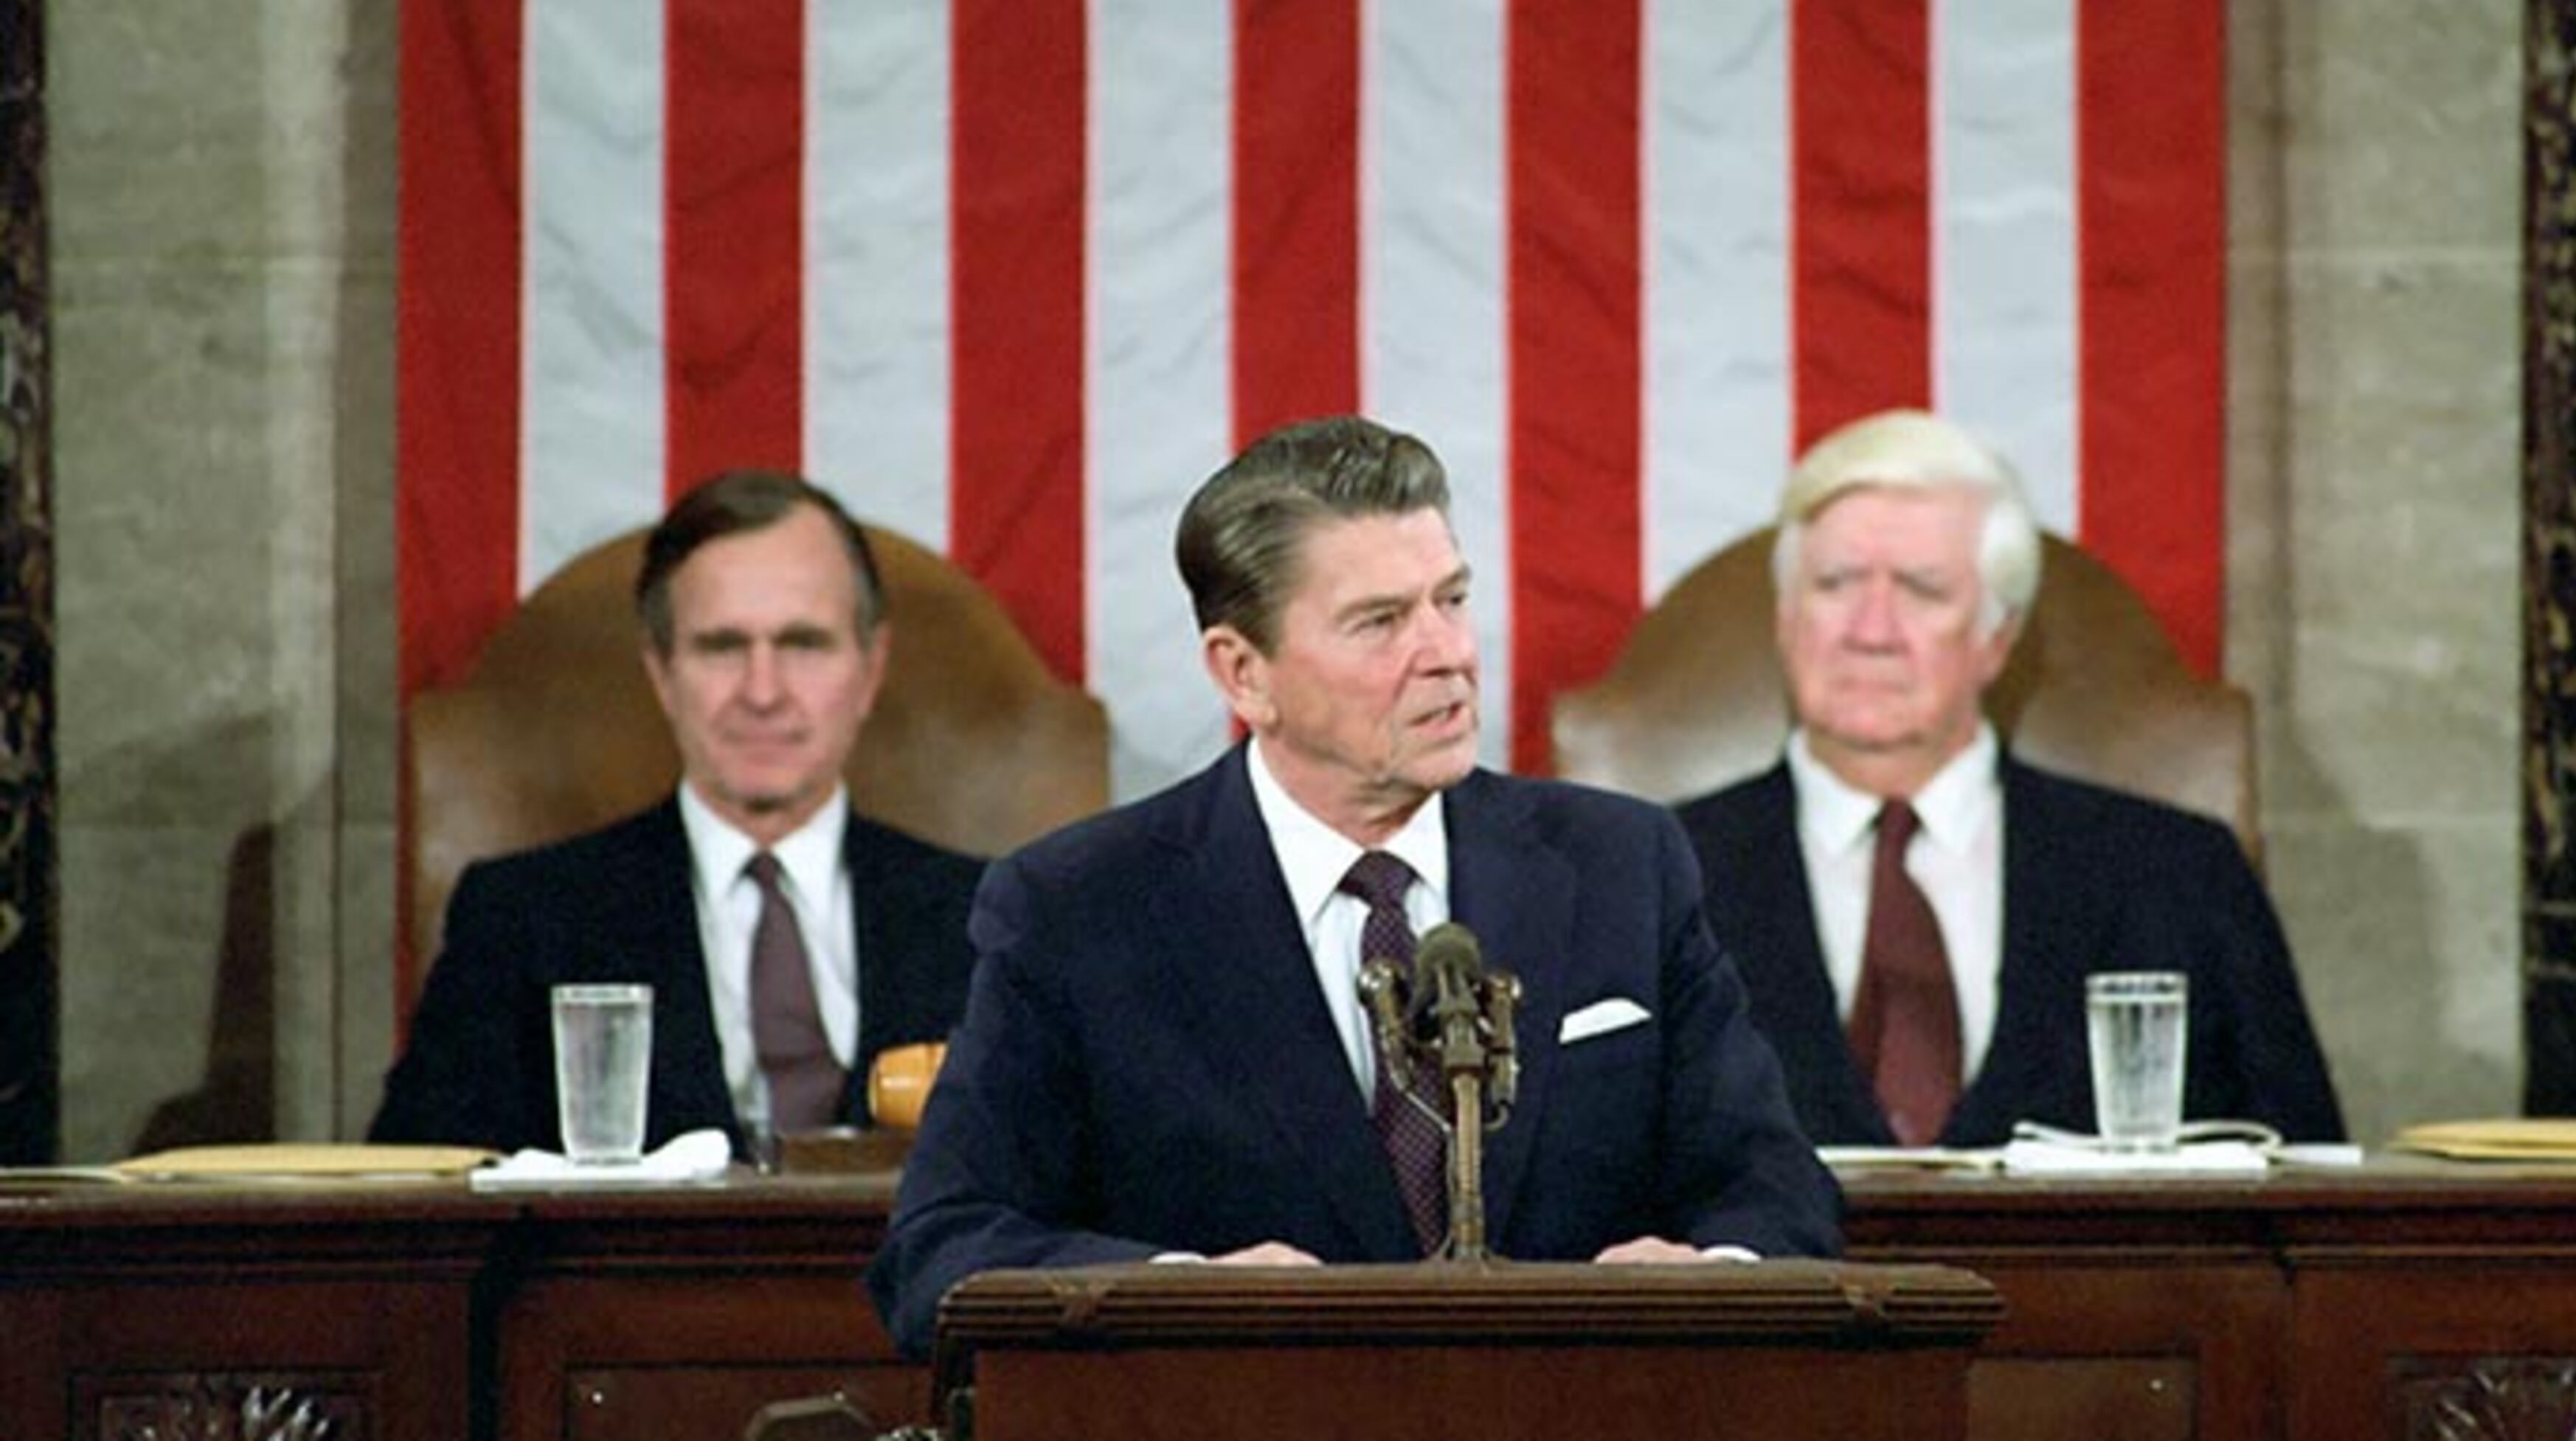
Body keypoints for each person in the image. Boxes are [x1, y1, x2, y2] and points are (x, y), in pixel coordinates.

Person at [869, 417, 1838, 1358]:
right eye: (1381, 622)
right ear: (1244, 675)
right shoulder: (1080, 909)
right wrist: (1179, 1299)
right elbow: (941, 1247)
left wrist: (1713, 1277)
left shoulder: (1620, 865)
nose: (1446, 653)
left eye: (1451, 600)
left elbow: (1775, 1187)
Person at [1674, 411, 2343, 1150]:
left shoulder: (2178, 875)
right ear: (1785, 618)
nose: (1872, 630)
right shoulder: (1650, 879)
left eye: (1922, 589)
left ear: (1998, 636)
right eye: (1836, 584)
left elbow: (2306, 1180)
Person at [370, 470, 986, 1156]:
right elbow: (425, 1186)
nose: (763, 692)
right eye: (722, 646)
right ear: (662, 673)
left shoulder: (997, 922)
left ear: (870, 668)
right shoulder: (522, 921)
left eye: (803, 644)